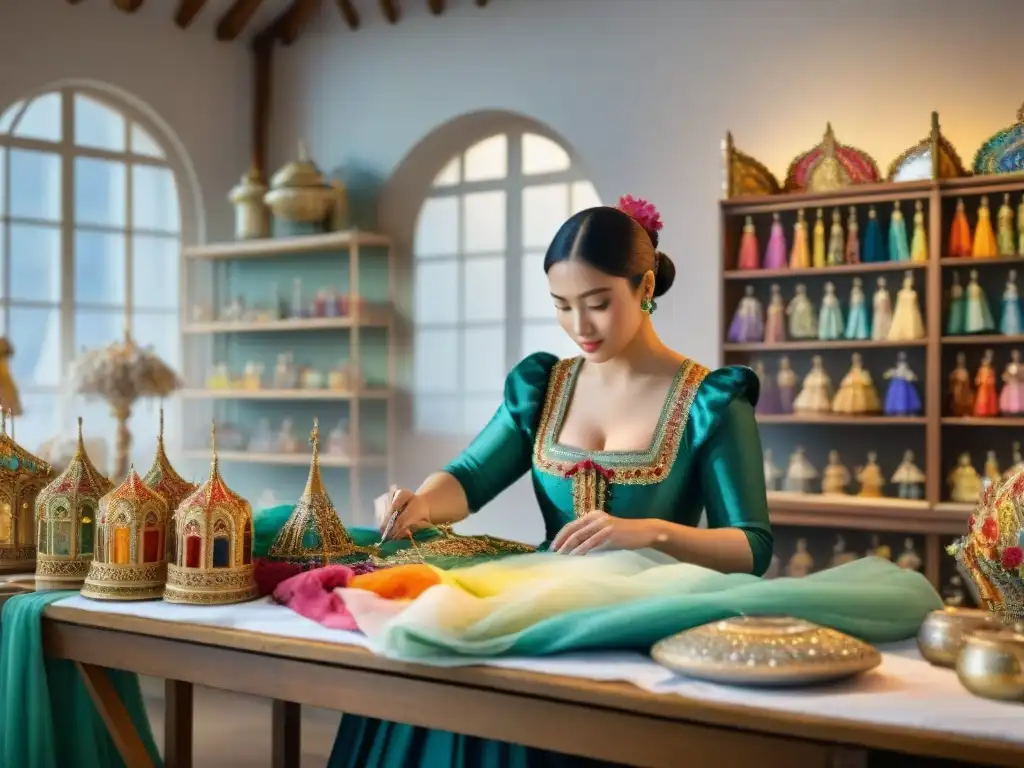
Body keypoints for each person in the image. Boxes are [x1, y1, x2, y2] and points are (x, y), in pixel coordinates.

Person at [328, 195, 773, 768]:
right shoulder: (544, 385)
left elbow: (752, 547)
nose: (579, 327)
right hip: (541, 597)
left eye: (597, 304)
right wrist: (420, 502)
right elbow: (469, 478)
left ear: (644, 288)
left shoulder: (712, 400)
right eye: (562, 306)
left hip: (649, 612)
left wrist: (649, 533)